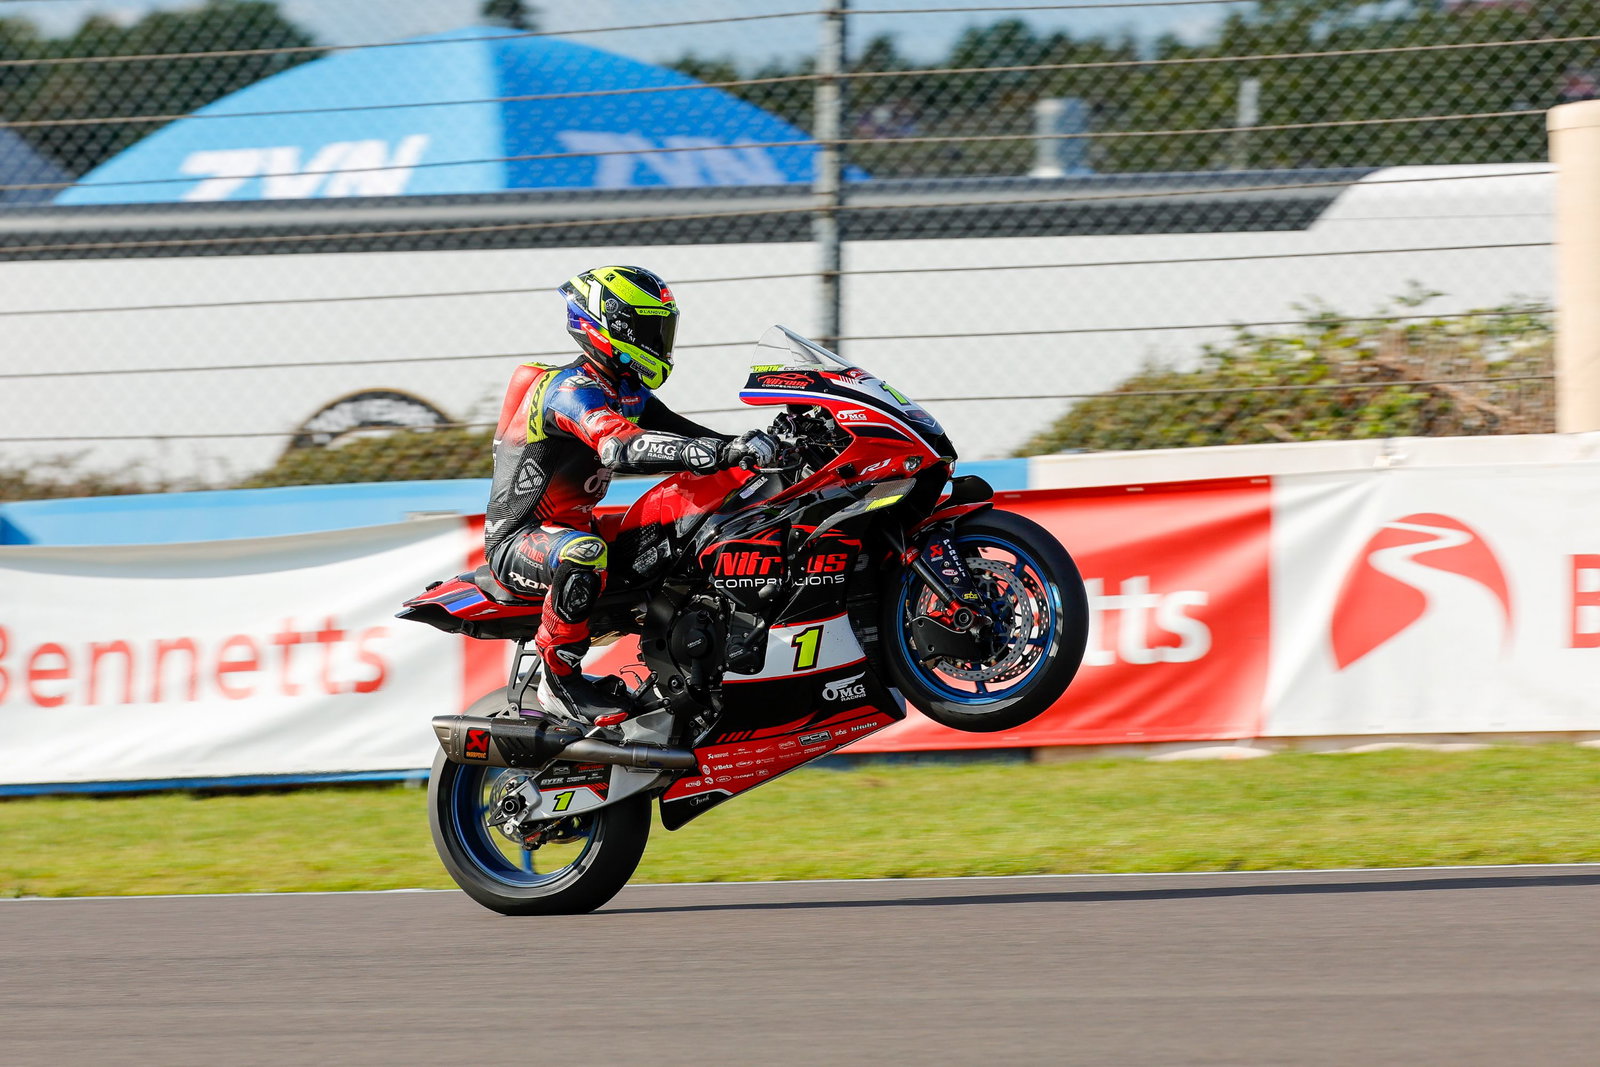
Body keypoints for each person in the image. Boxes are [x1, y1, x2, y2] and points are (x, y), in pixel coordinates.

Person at [484, 265, 778, 722]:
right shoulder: (567, 389)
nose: (659, 338)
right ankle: (557, 679)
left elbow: (695, 437)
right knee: (583, 552)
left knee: (686, 528)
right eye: (649, 326)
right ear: (612, 325)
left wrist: (759, 450)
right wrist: (714, 453)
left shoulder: (626, 391)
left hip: (579, 526)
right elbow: (619, 446)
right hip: (519, 540)